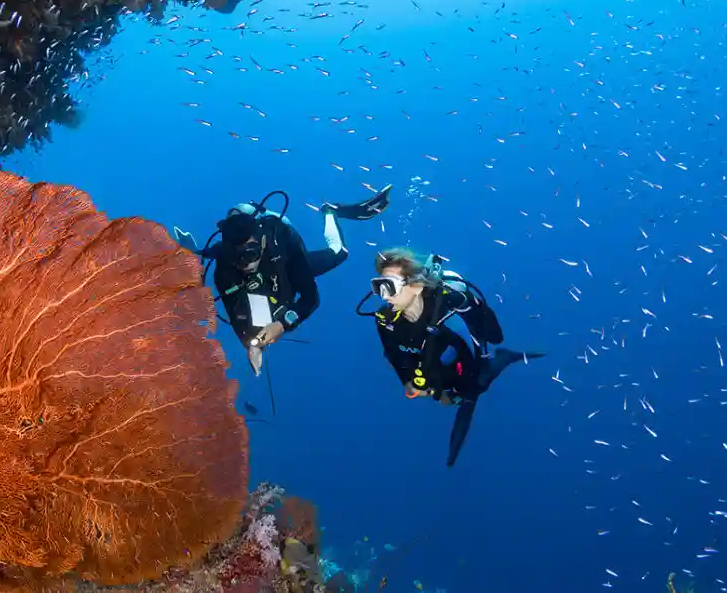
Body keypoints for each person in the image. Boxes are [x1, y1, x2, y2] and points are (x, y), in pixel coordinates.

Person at [174, 186, 392, 374]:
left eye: (250, 255)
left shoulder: (283, 241)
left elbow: (310, 298)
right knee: (253, 306)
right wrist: (252, 346)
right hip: (257, 278)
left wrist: (282, 324)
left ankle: (330, 212)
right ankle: (193, 249)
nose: (245, 264)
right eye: (237, 257)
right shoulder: (225, 267)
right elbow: (235, 314)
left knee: (339, 252)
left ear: (261, 242)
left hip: (286, 264)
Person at [364, 248, 544, 467]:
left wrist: (448, 393)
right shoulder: (385, 321)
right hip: (436, 366)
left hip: (465, 364)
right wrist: (409, 383)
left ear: (416, 285)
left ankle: (503, 359)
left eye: (390, 286)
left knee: (478, 385)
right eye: (379, 286)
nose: (384, 295)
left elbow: (479, 344)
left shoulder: (448, 311)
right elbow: (394, 355)